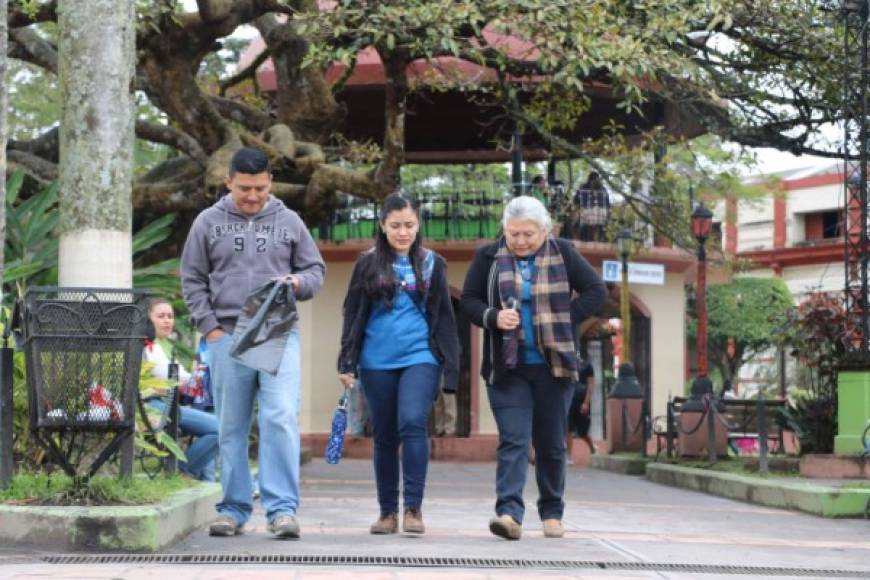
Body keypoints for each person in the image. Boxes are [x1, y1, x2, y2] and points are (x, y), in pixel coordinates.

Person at [181, 147, 325, 539]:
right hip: (226, 333)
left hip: (277, 329)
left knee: (279, 416)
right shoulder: (207, 223)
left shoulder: (289, 220)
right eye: (244, 188)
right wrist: (210, 328)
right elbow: (192, 278)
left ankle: (281, 511)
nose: (252, 196)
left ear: (270, 182)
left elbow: (315, 270)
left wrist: (300, 283)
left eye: (260, 188)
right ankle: (233, 509)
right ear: (228, 181)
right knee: (231, 426)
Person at [460, 195, 606, 541]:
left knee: (551, 443)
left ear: (545, 230)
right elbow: (468, 300)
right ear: (504, 231)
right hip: (507, 369)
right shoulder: (488, 256)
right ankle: (509, 513)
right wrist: (494, 316)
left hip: (553, 368)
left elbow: (596, 291)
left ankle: (552, 511)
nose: (521, 241)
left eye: (528, 234)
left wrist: (564, 318)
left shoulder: (564, 252)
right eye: (514, 234)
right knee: (513, 440)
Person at [338, 192, 459, 536]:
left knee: (412, 421)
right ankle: (387, 511)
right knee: (386, 434)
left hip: (420, 355)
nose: (403, 232)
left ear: (419, 224)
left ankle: (414, 508)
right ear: (383, 225)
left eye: (409, 225)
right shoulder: (367, 262)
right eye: (395, 226)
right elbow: (352, 311)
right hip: (375, 360)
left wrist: (450, 366)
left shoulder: (434, 263)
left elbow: (446, 319)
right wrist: (347, 359)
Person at [142, 298, 219, 482]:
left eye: (170, 316)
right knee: (220, 428)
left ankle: (204, 478)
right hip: (153, 407)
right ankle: (183, 471)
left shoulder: (163, 346)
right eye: (161, 316)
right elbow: (181, 380)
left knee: (216, 419)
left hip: (166, 404)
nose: (167, 320)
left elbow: (186, 381)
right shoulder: (149, 347)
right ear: (148, 320)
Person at [567, 359, 595, 462]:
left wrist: (586, 402)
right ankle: (568, 455)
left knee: (583, 432)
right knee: (568, 429)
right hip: (569, 401)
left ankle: (592, 449)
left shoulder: (587, 365)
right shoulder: (567, 362)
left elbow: (590, 384)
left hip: (582, 401)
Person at [572, 172, 610, 242]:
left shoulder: (584, 187)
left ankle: (583, 238)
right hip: (599, 215)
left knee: (578, 222)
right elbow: (608, 205)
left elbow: (576, 200)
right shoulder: (602, 189)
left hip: (591, 215)